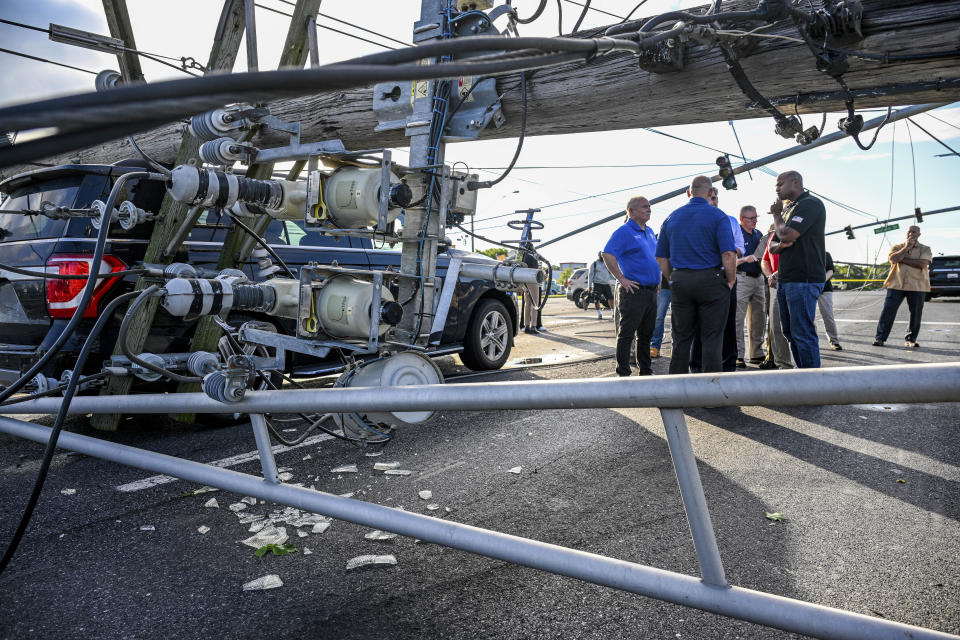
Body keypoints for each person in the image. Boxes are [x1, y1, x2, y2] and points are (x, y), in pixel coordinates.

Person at [655, 176, 736, 375]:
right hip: (711, 280)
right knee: (712, 338)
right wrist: (731, 279)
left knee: (681, 338)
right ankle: (710, 396)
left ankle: (678, 390)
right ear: (711, 193)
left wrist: (672, 278)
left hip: (681, 281)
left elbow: (661, 257)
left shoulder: (672, 217)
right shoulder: (718, 216)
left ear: (688, 192)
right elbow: (728, 253)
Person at [768, 170, 826, 369]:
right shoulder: (789, 210)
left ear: (795, 183)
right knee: (790, 333)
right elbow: (773, 245)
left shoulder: (809, 204)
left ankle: (812, 385)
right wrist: (781, 241)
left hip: (804, 278)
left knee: (802, 332)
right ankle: (802, 378)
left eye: (780, 183)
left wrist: (777, 216)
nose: (777, 188)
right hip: (787, 279)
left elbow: (786, 235)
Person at [602, 196, 661, 376]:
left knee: (646, 335)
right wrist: (622, 278)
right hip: (633, 291)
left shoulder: (649, 231)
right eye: (644, 207)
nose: (649, 209)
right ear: (631, 211)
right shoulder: (624, 231)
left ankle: (645, 371)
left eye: (649, 207)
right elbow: (607, 254)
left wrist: (658, 280)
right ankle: (624, 372)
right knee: (627, 334)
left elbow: (655, 258)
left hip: (651, 292)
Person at [689, 188, 743, 372]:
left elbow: (738, 249)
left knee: (728, 323)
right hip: (703, 276)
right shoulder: (694, 220)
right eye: (711, 198)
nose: (714, 201)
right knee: (700, 324)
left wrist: (730, 275)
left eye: (716, 198)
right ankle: (697, 366)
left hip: (726, 277)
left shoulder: (730, 220)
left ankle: (729, 365)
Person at [873, 225, 932, 348]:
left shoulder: (925, 249)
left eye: (914, 232)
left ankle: (911, 339)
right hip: (896, 284)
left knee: (915, 314)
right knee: (888, 312)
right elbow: (893, 259)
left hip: (917, 286)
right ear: (906, 233)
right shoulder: (897, 247)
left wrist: (902, 259)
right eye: (909, 231)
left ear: (919, 234)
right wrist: (906, 248)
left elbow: (922, 264)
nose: (911, 234)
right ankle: (880, 338)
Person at [735, 205, 766, 366]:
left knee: (758, 318)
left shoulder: (758, 234)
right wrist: (744, 260)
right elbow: (728, 259)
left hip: (758, 278)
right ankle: (738, 354)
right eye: (751, 218)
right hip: (741, 277)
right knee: (737, 318)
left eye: (756, 218)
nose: (755, 221)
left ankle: (756, 352)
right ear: (742, 219)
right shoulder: (736, 234)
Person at [760, 235, 794, 370]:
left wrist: (776, 275)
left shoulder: (794, 231)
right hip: (775, 284)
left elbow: (796, 259)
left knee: (800, 325)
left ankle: (806, 367)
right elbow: (764, 260)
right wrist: (770, 276)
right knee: (776, 326)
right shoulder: (773, 237)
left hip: (794, 281)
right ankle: (784, 365)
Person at [817, 251, 842, 351]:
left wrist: (821, 281)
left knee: (828, 316)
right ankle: (812, 344)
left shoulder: (825, 254)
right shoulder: (805, 252)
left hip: (824, 289)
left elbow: (830, 271)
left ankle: (834, 341)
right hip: (807, 289)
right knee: (809, 318)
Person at [587, 251, 615, 319]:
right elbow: (590, 275)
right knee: (596, 300)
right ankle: (599, 314)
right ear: (599, 256)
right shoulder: (594, 264)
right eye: (602, 256)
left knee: (611, 298)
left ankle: (613, 313)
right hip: (597, 284)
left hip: (606, 284)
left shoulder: (607, 263)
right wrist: (589, 285)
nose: (603, 257)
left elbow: (612, 272)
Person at [650, 274, 670, 358]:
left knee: (678, 319)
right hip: (663, 286)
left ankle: (675, 347)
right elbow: (658, 262)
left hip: (681, 285)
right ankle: (655, 346)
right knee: (658, 317)